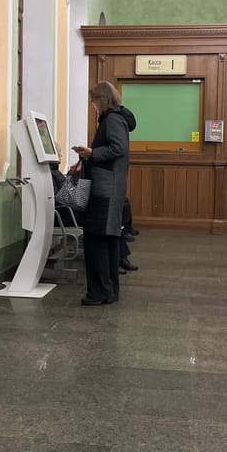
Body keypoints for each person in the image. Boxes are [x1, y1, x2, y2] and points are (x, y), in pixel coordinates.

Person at [74, 81, 129, 305]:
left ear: (103, 99)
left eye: (94, 100)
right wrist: (86, 159)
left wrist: (91, 153)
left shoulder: (113, 120)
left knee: (96, 241)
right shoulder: (117, 118)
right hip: (110, 187)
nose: (91, 104)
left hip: (104, 190)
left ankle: (98, 293)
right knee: (108, 242)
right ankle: (109, 292)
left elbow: (118, 148)